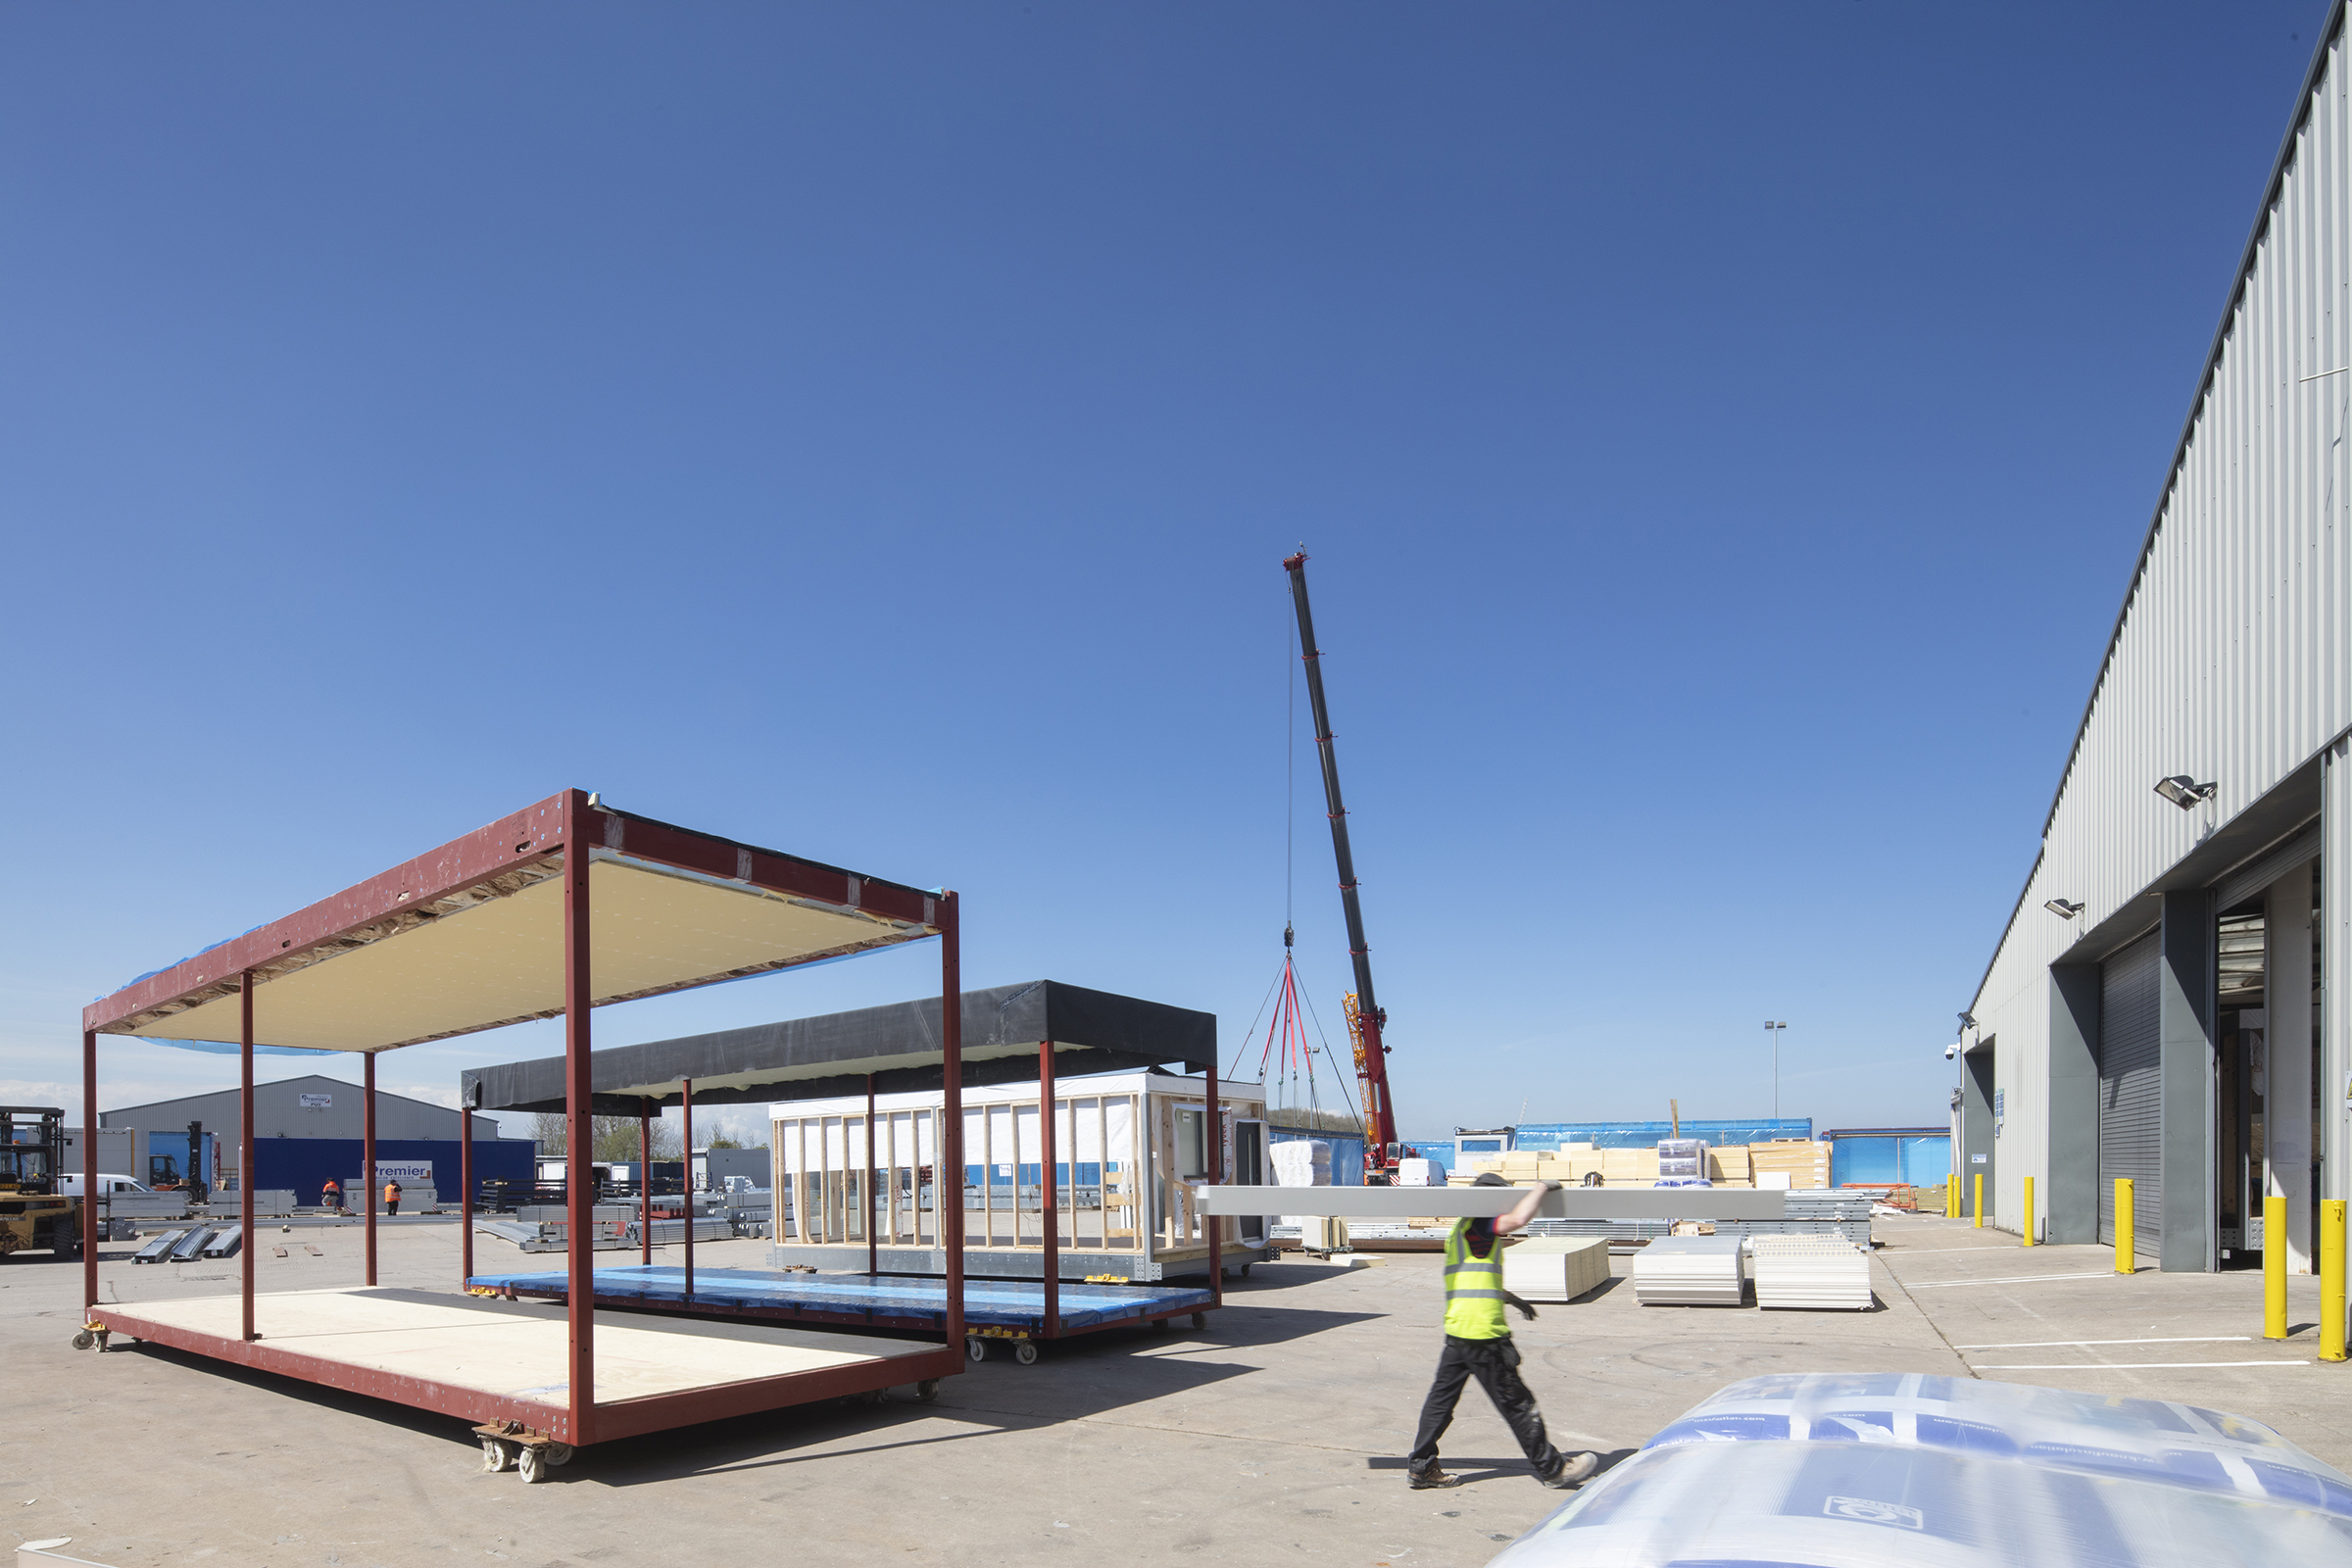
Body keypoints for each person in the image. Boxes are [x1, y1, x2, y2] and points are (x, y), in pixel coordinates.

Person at [1406, 1172, 1597, 1493]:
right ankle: (1553, 1468)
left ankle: (1421, 1467)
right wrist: (1541, 1187)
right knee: (1517, 1404)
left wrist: (1511, 1298)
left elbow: (1473, 1275)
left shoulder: (1460, 1229)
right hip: (1484, 1335)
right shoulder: (1481, 1224)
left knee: (1440, 1402)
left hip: (1459, 1330)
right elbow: (1518, 1219)